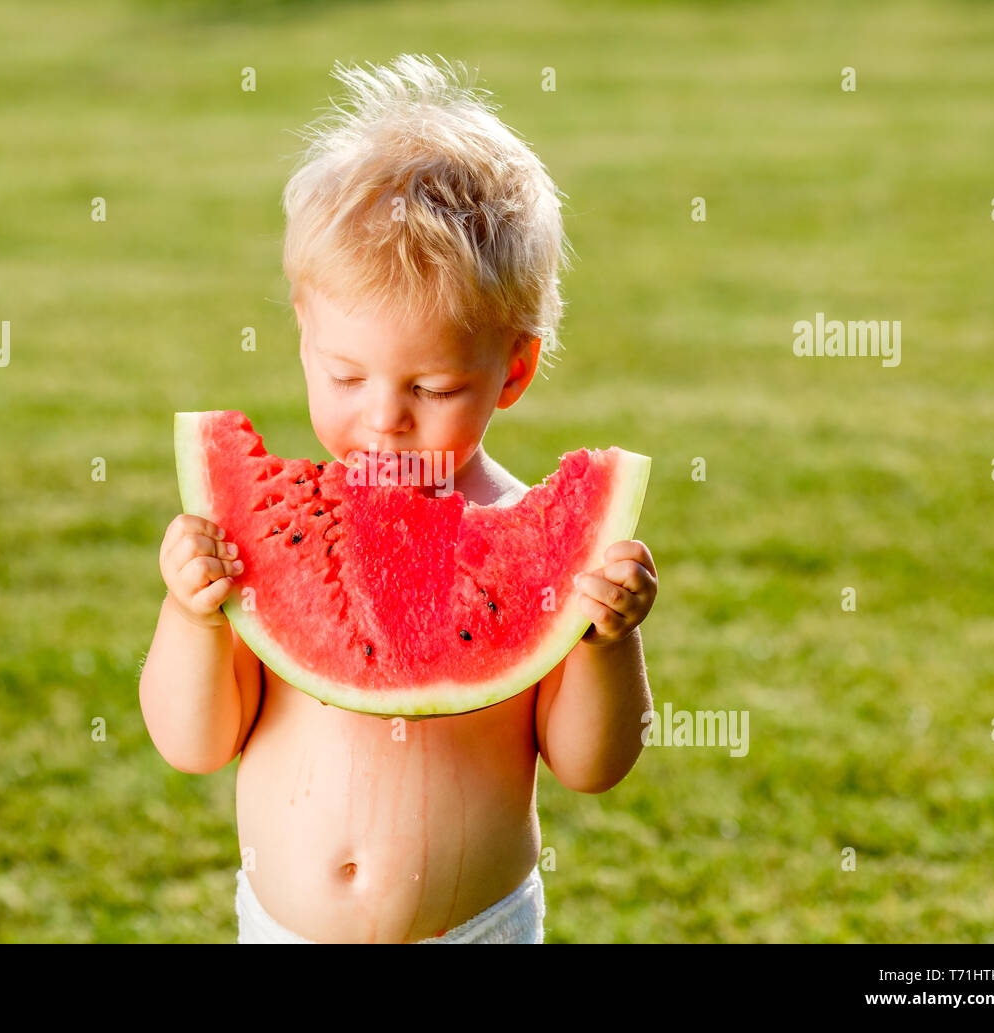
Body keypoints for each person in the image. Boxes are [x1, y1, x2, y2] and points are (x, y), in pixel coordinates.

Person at [140, 54, 657, 943]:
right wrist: (190, 618)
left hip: (475, 930)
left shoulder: (534, 551)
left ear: (514, 371)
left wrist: (610, 642)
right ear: (305, 339)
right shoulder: (267, 542)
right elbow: (196, 742)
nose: (384, 417)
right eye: (347, 374)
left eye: (433, 386)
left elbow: (590, 765)